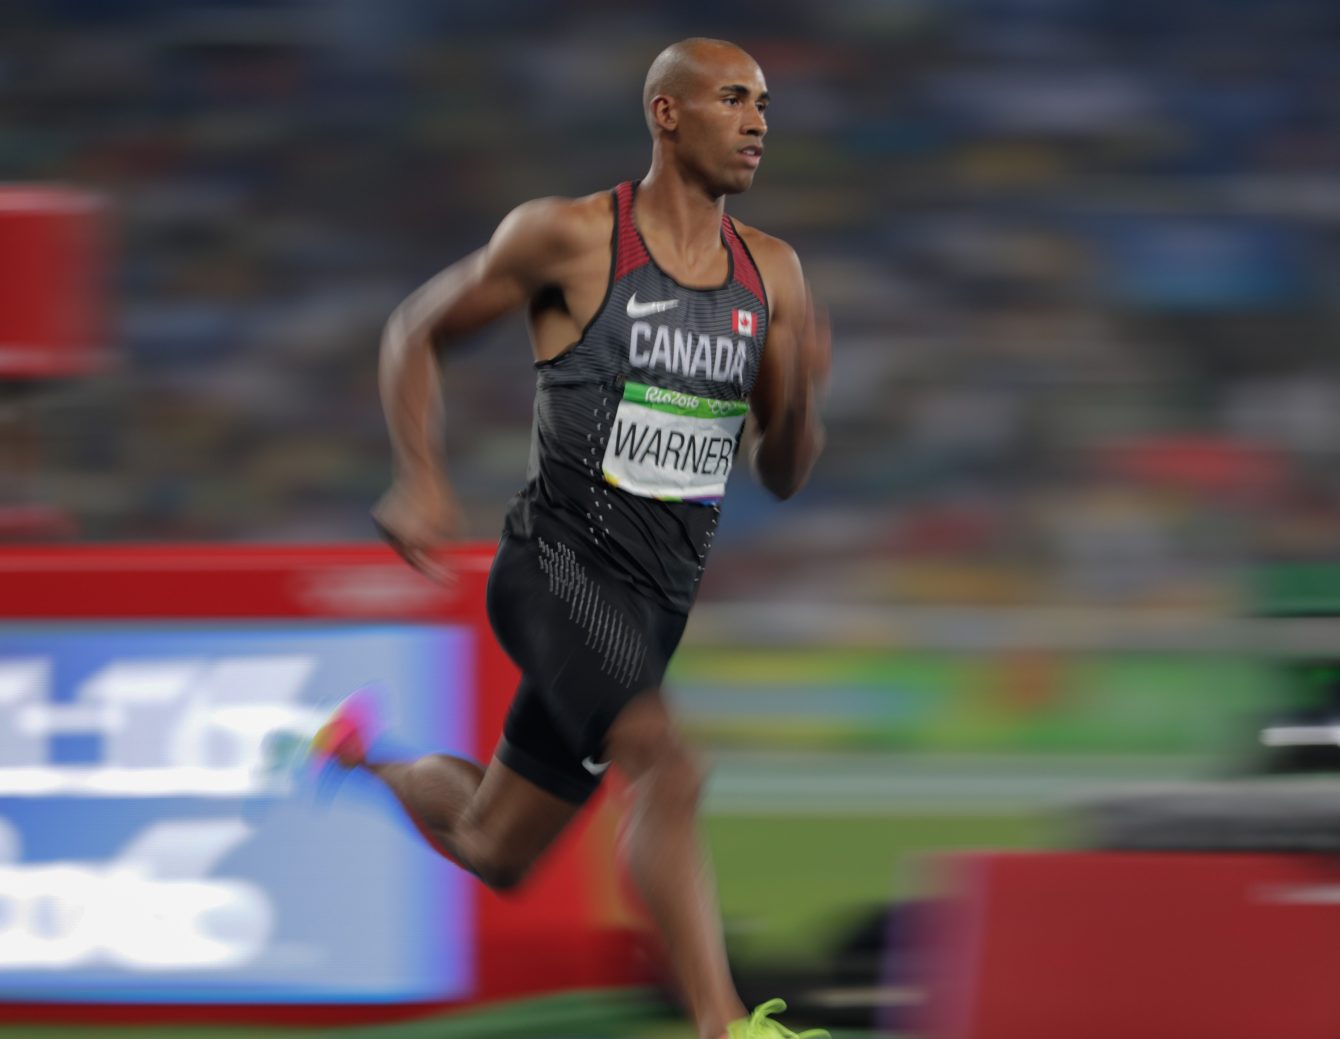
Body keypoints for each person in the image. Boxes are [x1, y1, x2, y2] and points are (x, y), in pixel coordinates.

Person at [314, 37, 830, 1039]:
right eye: (733, 99)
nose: (759, 120)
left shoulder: (772, 274)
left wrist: (802, 387)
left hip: (653, 606)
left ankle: (357, 756)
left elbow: (781, 469)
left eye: (764, 103)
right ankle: (726, 1027)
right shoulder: (567, 238)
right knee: (668, 765)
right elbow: (415, 330)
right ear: (666, 114)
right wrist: (419, 476)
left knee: (492, 846)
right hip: (554, 566)